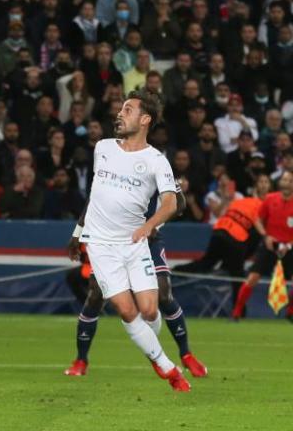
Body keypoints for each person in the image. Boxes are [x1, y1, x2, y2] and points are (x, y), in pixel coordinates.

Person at [66, 90, 192, 391]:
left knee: (150, 310)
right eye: (120, 109)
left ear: (145, 119)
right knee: (125, 309)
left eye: (128, 109)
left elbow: (172, 204)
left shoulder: (156, 161)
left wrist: (149, 225)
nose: (119, 114)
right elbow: (95, 197)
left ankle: (151, 346)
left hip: (135, 244)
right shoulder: (103, 147)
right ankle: (168, 368)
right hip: (101, 245)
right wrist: (78, 233)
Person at [177, 174, 271, 305]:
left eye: (266, 182)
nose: (263, 185)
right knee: (237, 276)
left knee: (205, 264)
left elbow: (224, 214)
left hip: (219, 232)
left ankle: (174, 272)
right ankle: (238, 313)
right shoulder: (262, 207)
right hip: (234, 238)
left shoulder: (240, 201)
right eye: (261, 182)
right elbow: (258, 231)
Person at [231, 171, 293, 320]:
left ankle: (290, 312)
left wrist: (289, 245)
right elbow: (257, 219)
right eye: (285, 179)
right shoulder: (271, 199)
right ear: (280, 182)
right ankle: (237, 312)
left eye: (290, 180)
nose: (287, 182)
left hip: (289, 247)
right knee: (252, 278)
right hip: (270, 245)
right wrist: (266, 237)